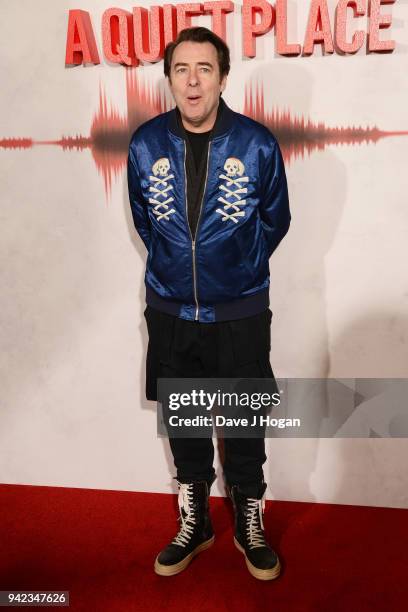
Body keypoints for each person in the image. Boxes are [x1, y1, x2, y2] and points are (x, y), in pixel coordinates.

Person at [127, 26, 291, 580]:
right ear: (169, 78)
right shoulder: (145, 144)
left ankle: (250, 516)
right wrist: (180, 270)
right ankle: (194, 521)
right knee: (187, 420)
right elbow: (147, 223)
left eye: (204, 69)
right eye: (181, 69)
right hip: (171, 310)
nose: (192, 81)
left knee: (244, 420)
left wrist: (234, 268)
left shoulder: (257, 142)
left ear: (222, 77)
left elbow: (276, 220)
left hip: (241, 311)